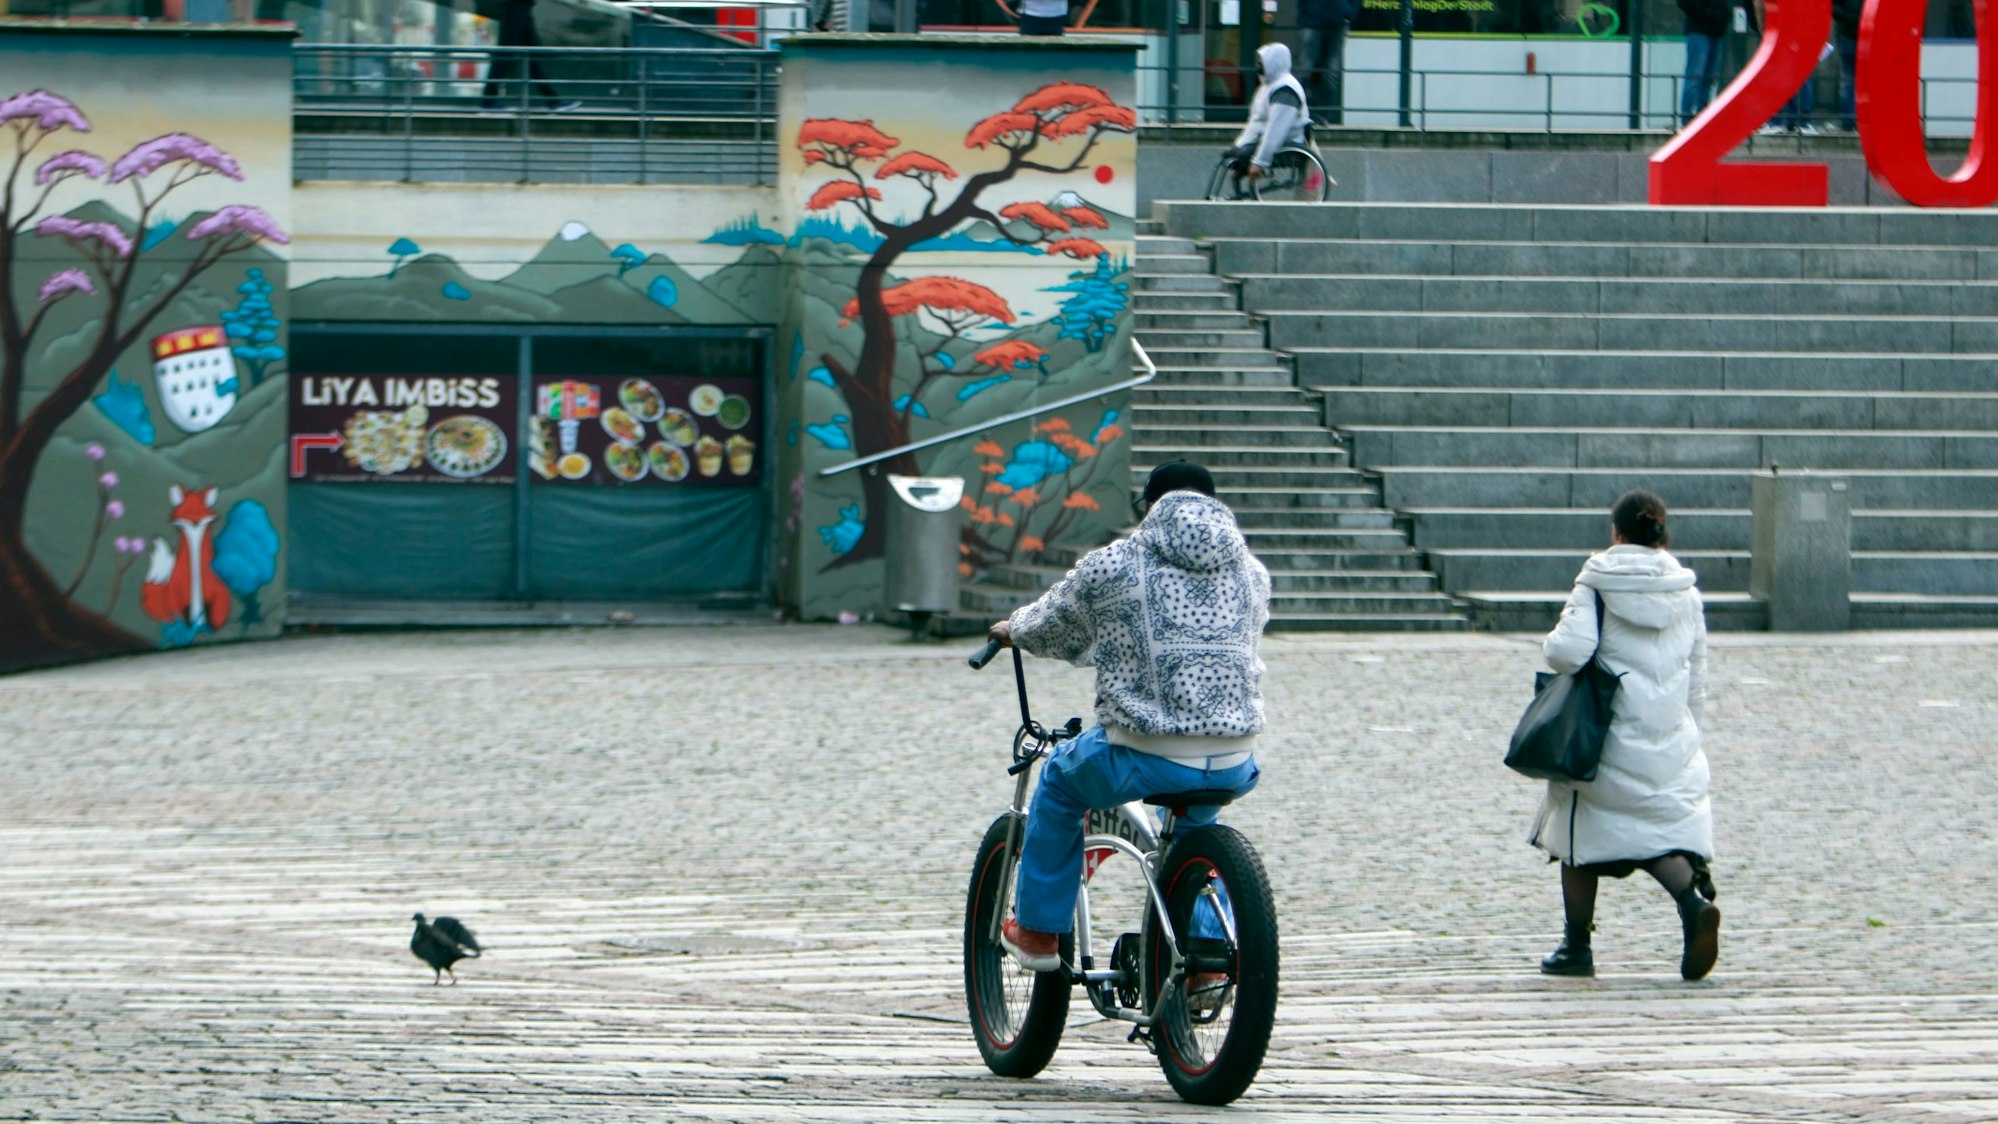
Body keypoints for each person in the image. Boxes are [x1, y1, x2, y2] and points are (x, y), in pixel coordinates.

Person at [987, 461, 1270, 973]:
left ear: (1150, 508)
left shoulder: (1114, 563)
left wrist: (1015, 630)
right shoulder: (1251, 571)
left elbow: (1057, 623)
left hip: (1145, 754)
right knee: (1191, 826)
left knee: (1058, 782)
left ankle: (1036, 932)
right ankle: (1206, 953)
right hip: (1234, 757)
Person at [1531, 489, 1721, 982]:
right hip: (1667, 733)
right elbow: (1696, 673)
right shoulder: (1686, 591)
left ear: (1616, 534)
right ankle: (1690, 899)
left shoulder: (1597, 583)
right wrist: (1684, 731)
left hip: (1603, 733)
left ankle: (1577, 947)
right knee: (1655, 832)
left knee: (1576, 827)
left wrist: (1549, 641)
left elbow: (1568, 653)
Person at [1221, 43, 1311, 192]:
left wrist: (1260, 162)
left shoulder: (1286, 90)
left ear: (1273, 61)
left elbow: (1276, 130)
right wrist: (1239, 144)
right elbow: (1255, 122)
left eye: (1260, 61)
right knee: (1230, 155)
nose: (1257, 65)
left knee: (1242, 155)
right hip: (1259, 138)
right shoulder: (1267, 86)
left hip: (1284, 142)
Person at [481, 0, 581, 113]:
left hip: (522, 5)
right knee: (506, 53)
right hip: (516, 5)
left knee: (532, 54)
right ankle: (488, 101)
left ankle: (553, 101)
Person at [1297, 0, 1357, 126]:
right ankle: (1306, 112)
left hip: (1336, 21)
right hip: (1313, 21)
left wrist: (1349, 14)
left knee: (1330, 72)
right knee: (1307, 70)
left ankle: (1322, 115)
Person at [1677, 0, 1730, 126]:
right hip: (1700, 29)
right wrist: (1710, 15)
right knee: (1695, 76)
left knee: (1708, 78)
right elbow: (1685, 4)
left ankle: (1702, 116)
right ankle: (1687, 117)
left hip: (1714, 31)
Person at [993, 0, 1100, 36]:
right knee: (1028, 54)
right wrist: (1009, 12)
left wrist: (1079, 24)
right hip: (1030, 18)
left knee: (1055, 54)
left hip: (1057, 18)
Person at [1832, 0, 1860, 131]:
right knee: (1856, 81)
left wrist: (1848, 17)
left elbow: (1834, 9)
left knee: (1849, 81)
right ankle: (1855, 121)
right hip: (1859, 35)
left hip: (1848, 34)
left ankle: (1848, 121)